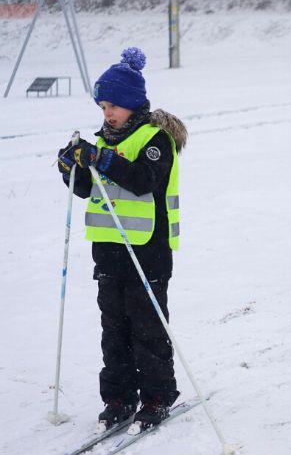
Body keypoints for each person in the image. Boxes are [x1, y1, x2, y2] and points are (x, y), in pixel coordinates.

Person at [56, 48, 187, 432]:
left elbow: (144, 180)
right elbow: (85, 189)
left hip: (148, 250)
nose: (108, 113)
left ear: (133, 104)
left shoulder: (155, 139)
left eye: (115, 105)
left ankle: (158, 396)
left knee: (147, 326)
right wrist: (71, 169)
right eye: (103, 106)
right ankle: (118, 397)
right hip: (109, 252)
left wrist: (101, 159)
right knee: (114, 329)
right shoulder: (102, 142)